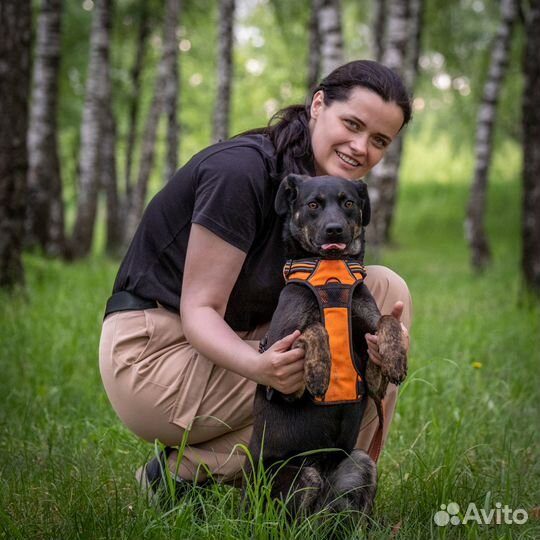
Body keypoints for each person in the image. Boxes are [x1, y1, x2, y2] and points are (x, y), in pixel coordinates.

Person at [99, 59, 413, 495]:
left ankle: (341, 491)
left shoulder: (326, 202)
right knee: (318, 357)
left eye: (379, 140)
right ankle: (185, 474)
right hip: (158, 355)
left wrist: (376, 353)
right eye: (352, 124)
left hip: (232, 341)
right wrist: (262, 368)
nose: (361, 148)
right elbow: (200, 310)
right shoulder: (241, 171)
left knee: (381, 290)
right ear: (318, 105)